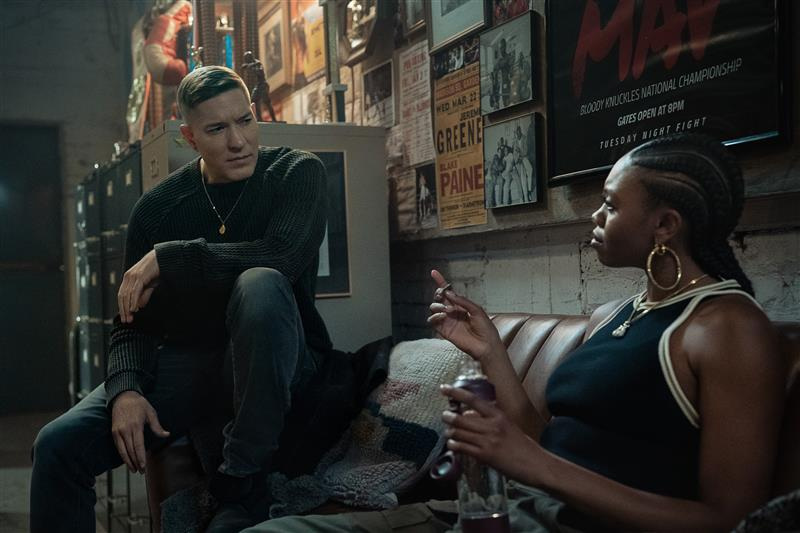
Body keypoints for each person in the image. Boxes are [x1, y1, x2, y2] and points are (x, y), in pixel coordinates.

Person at [240, 133, 785, 532]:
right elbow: (543, 441)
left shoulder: (728, 329)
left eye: (611, 204)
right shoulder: (613, 314)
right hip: (518, 512)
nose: (595, 216)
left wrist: (537, 468)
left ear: (664, 225)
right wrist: (491, 352)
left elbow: (728, 520)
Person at [30, 65, 332, 533]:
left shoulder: (297, 172)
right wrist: (126, 389)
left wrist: (170, 258)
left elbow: (283, 255)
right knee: (56, 446)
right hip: (192, 364)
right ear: (189, 138)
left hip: (280, 360)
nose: (239, 141)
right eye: (217, 129)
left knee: (260, 284)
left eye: (245, 120)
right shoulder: (157, 209)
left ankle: (241, 483)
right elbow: (133, 321)